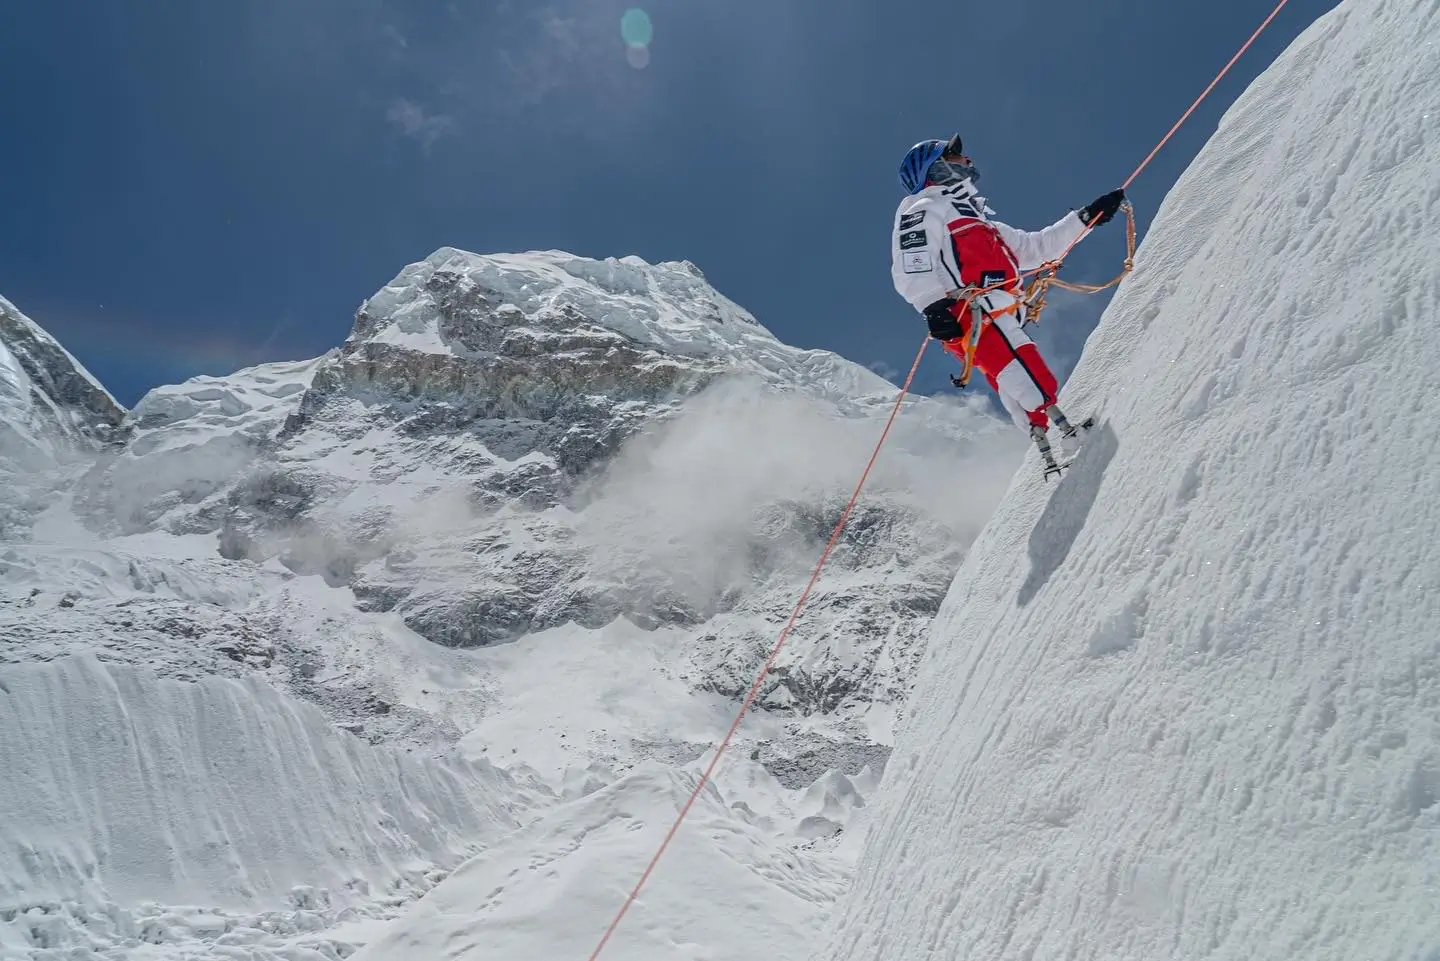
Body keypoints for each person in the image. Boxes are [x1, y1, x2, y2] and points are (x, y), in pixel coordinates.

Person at [889, 133, 1125, 475]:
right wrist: (932, 305)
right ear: (934, 167)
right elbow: (912, 258)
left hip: (1001, 308)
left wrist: (1086, 217)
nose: (966, 160)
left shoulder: (984, 223)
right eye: (954, 156)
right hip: (969, 310)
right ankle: (1066, 435)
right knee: (1023, 371)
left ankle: (1049, 451)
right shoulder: (925, 207)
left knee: (1013, 376)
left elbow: (1037, 248)